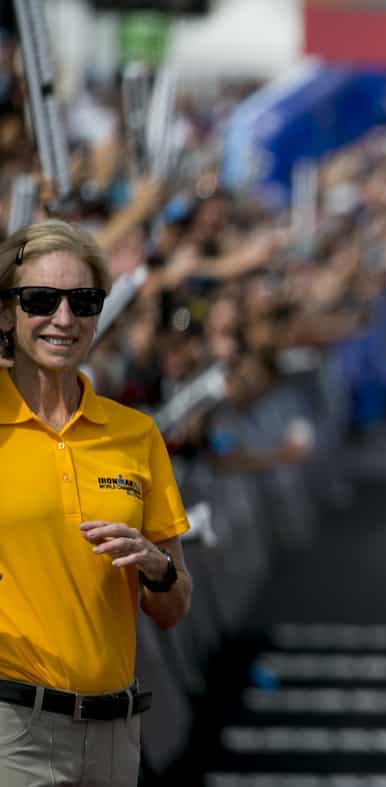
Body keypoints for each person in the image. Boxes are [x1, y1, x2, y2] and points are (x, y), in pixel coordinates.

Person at [0, 220, 192, 787]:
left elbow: (174, 604)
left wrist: (156, 569)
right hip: (13, 733)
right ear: (6, 314)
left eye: (83, 301)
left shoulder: (136, 434)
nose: (64, 318)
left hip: (115, 737)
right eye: (40, 299)